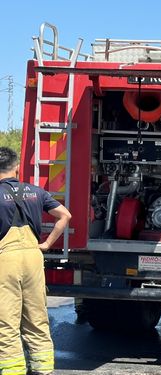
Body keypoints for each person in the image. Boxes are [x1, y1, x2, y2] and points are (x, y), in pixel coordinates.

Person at [0, 147, 72, 375]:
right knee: (37, 317)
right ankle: (43, 369)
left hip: (5, 258)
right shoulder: (35, 191)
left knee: (7, 321)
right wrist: (48, 244)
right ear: (17, 167)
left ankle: (13, 370)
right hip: (33, 257)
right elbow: (65, 215)